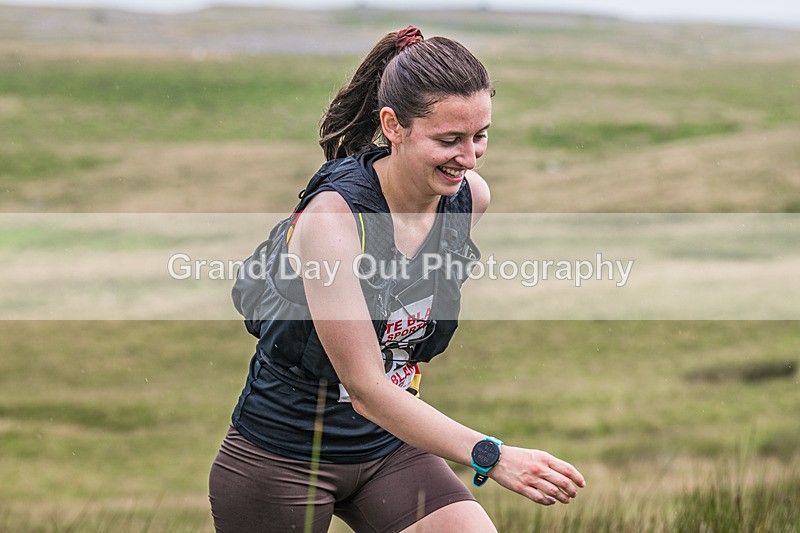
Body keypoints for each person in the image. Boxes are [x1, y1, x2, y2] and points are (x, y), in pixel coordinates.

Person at [209, 26, 585, 533]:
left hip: (389, 449)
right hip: (283, 459)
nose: (469, 158)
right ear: (393, 125)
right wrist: (491, 456)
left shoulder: (469, 198)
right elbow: (363, 386)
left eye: (480, 136)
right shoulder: (333, 220)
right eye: (448, 140)